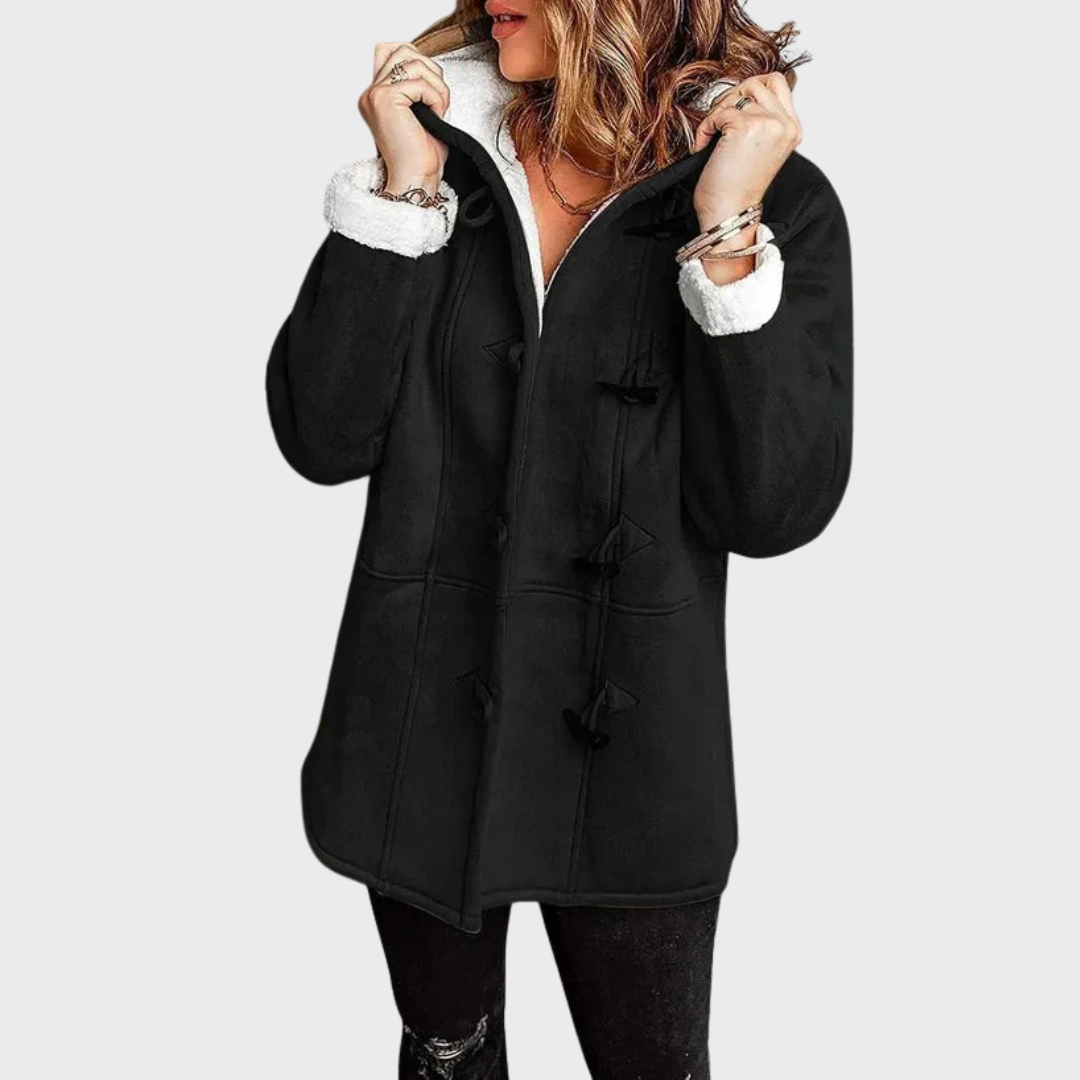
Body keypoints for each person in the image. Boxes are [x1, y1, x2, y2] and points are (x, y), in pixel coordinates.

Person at [265, 1, 853, 1076]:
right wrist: (401, 193)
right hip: (421, 726)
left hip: (637, 747)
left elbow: (772, 508)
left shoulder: (777, 200)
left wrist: (726, 232)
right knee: (447, 1055)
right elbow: (322, 435)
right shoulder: (439, 163)